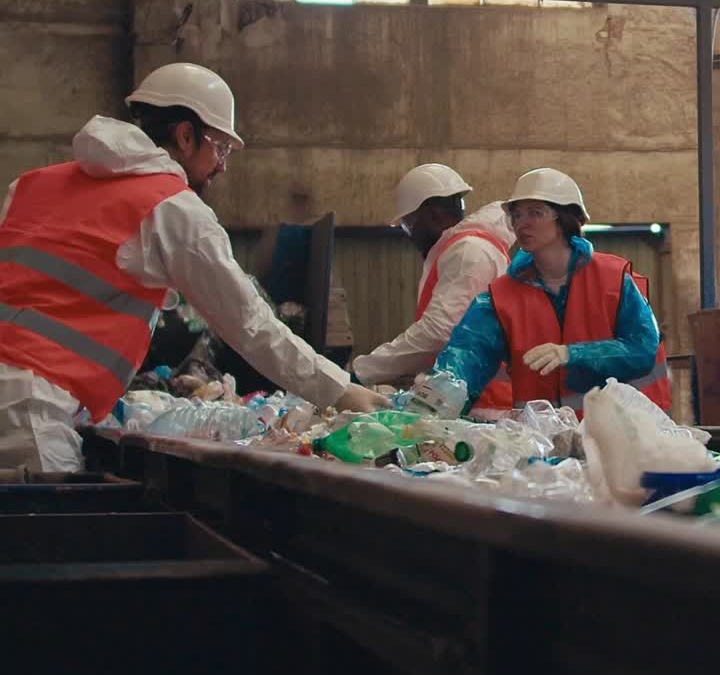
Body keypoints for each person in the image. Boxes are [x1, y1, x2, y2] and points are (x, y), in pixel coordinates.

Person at [0, 62, 387, 472]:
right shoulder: (171, 208)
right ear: (185, 136)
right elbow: (249, 323)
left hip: (32, 401)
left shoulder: (30, 185)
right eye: (220, 148)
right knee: (46, 533)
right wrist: (339, 391)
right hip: (29, 411)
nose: (222, 166)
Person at [432, 167, 670, 417]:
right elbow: (466, 357)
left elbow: (643, 349)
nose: (521, 223)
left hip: (625, 437)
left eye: (535, 213)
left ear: (565, 218)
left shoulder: (614, 279)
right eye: (516, 214)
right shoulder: (501, 297)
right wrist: (426, 400)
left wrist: (572, 353)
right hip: (548, 444)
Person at [353, 163, 515, 413]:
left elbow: (439, 331)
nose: (409, 234)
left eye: (408, 224)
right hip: (468, 398)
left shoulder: (468, 252)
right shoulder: (469, 248)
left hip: (482, 405)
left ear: (432, 216)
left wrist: (362, 371)